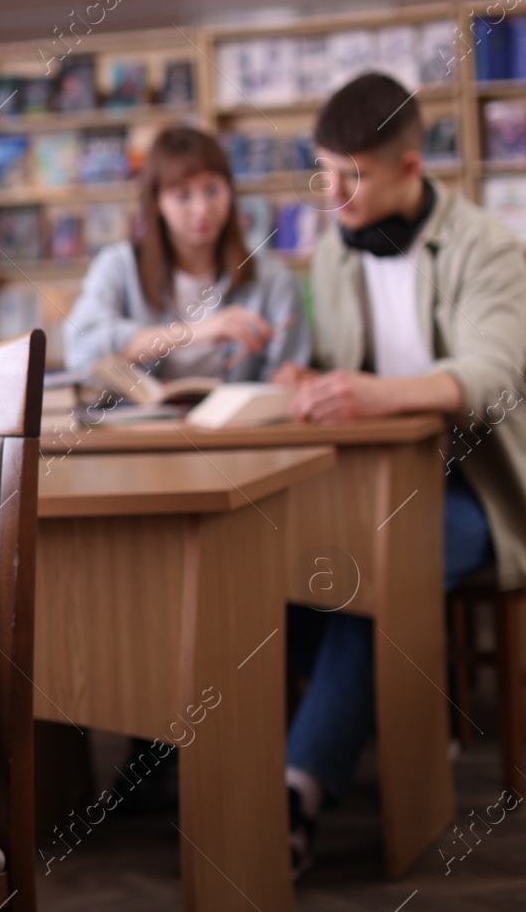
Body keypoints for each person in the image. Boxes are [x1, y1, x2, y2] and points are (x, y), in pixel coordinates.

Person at [273, 72, 526, 877]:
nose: (334, 195)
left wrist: (375, 392)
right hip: (375, 482)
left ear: (412, 168)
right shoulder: (333, 259)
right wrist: (301, 380)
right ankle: (376, 721)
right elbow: (337, 367)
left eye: (354, 177)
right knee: (277, 553)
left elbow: (493, 373)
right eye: (326, 173)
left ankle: (295, 790)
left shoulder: (489, 244)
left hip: (482, 488)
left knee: (372, 568)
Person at [65, 125, 309, 381]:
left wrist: (288, 380)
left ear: (230, 192)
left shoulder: (272, 278)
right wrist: (196, 332)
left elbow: (287, 372)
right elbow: (82, 352)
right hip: (140, 420)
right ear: (157, 202)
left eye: (212, 190)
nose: (202, 209)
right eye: (182, 196)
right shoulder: (118, 266)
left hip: (236, 421)